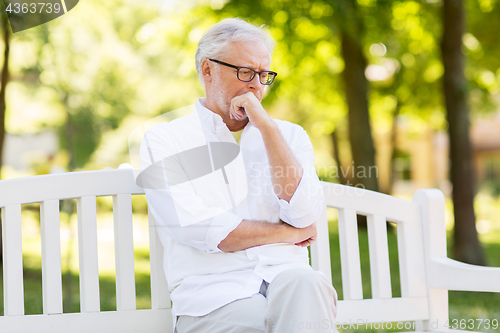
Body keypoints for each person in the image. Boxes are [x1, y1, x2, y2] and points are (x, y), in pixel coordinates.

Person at [139, 18, 338, 333]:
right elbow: (196, 227)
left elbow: (304, 215)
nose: (256, 85)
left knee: (307, 282)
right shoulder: (165, 140)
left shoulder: (290, 136)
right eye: (245, 72)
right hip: (213, 297)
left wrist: (268, 129)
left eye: (263, 75)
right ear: (208, 70)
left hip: (286, 280)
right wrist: (285, 234)